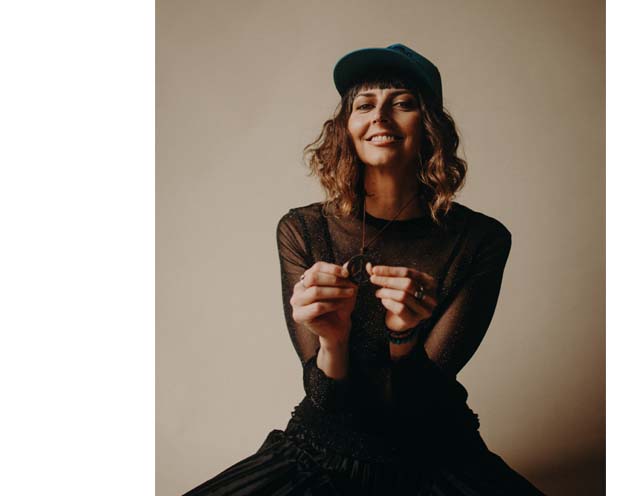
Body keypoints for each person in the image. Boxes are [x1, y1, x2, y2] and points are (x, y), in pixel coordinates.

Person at [184, 43, 543, 495]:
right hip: (321, 452)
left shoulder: (480, 240)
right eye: (364, 105)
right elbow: (326, 399)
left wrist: (403, 337)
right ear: (346, 127)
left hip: (435, 456)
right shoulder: (303, 230)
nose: (380, 118)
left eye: (403, 103)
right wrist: (332, 339)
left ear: (430, 125)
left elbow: (416, 407)